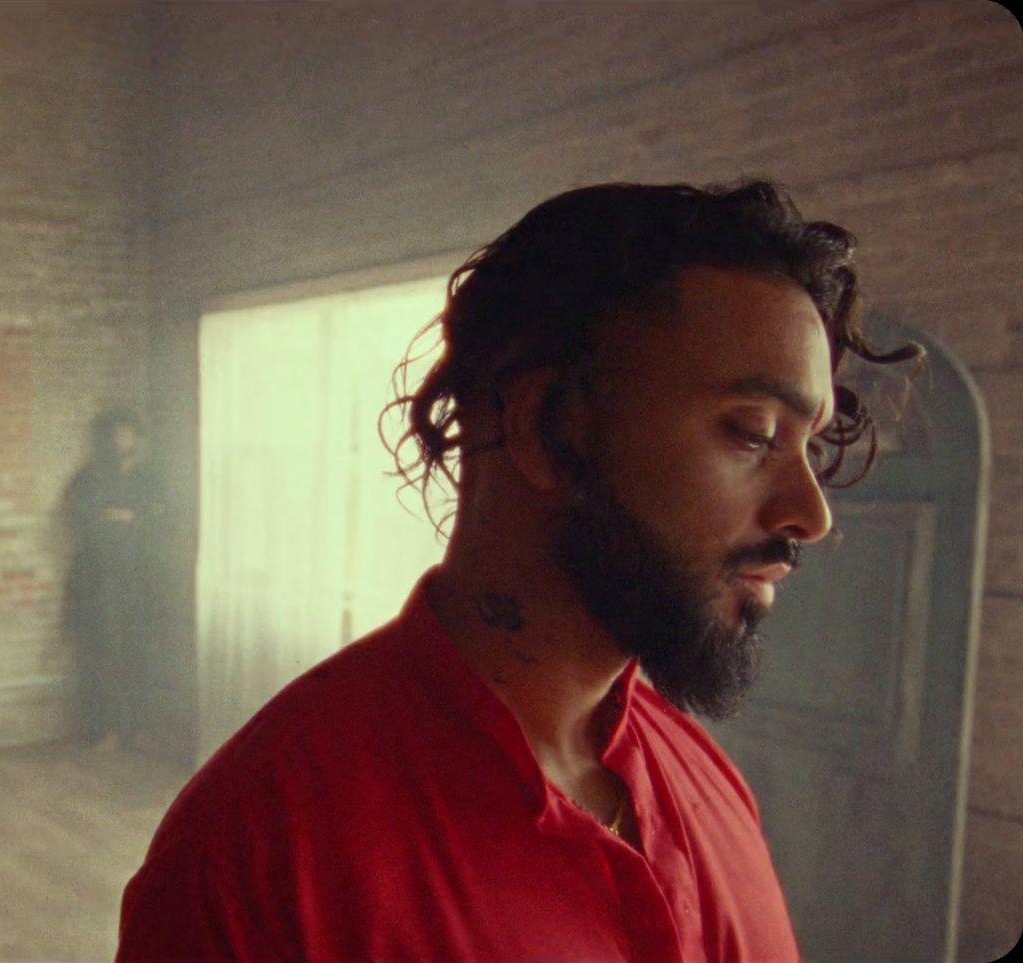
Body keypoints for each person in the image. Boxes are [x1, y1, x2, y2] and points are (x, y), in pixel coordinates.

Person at [117, 181, 922, 961]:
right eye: (751, 432)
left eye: (808, 445)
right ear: (543, 424)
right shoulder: (254, 857)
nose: (810, 514)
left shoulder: (710, 784)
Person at [63, 408, 164, 752]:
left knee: (139, 655)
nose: (119, 441)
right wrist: (110, 520)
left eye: (126, 434)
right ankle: (103, 730)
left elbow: (164, 523)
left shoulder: (150, 481)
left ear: (137, 439)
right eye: (113, 434)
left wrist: (130, 518)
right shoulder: (89, 478)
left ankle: (136, 729)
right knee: (100, 656)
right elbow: (78, 519)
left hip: (138, 581)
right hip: (98, 581)